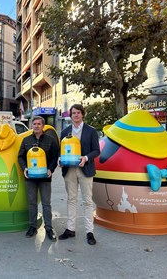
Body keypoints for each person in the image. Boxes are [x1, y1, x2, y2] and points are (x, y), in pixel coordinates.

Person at [59, 104, 100, 245]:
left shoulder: (91, 131)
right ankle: (70, 229)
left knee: (87, 201)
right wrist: (60, 159)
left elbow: (96, 150)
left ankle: (90, 232)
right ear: (70, 116)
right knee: (71, 199)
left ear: (82, 114)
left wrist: (86, 158)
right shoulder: (65, 132)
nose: (75, 115)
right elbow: (62, 150)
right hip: (69, 170)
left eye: (78, 113)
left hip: (85, 169)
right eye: (73, 113)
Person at [18, 116, 59, 241]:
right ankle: (32, 227)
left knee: (46, 204)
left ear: (43, 126)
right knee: (32, 203)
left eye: (38, 124)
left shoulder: (50, 140)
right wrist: (24, 168)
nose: (36, 126)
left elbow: (54, 157)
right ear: (31, 126)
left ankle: (49, 228)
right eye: (34, 124)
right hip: (30, 177)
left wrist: (50, 169)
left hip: (45, 177)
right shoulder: (26, 140)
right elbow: (20, 157)